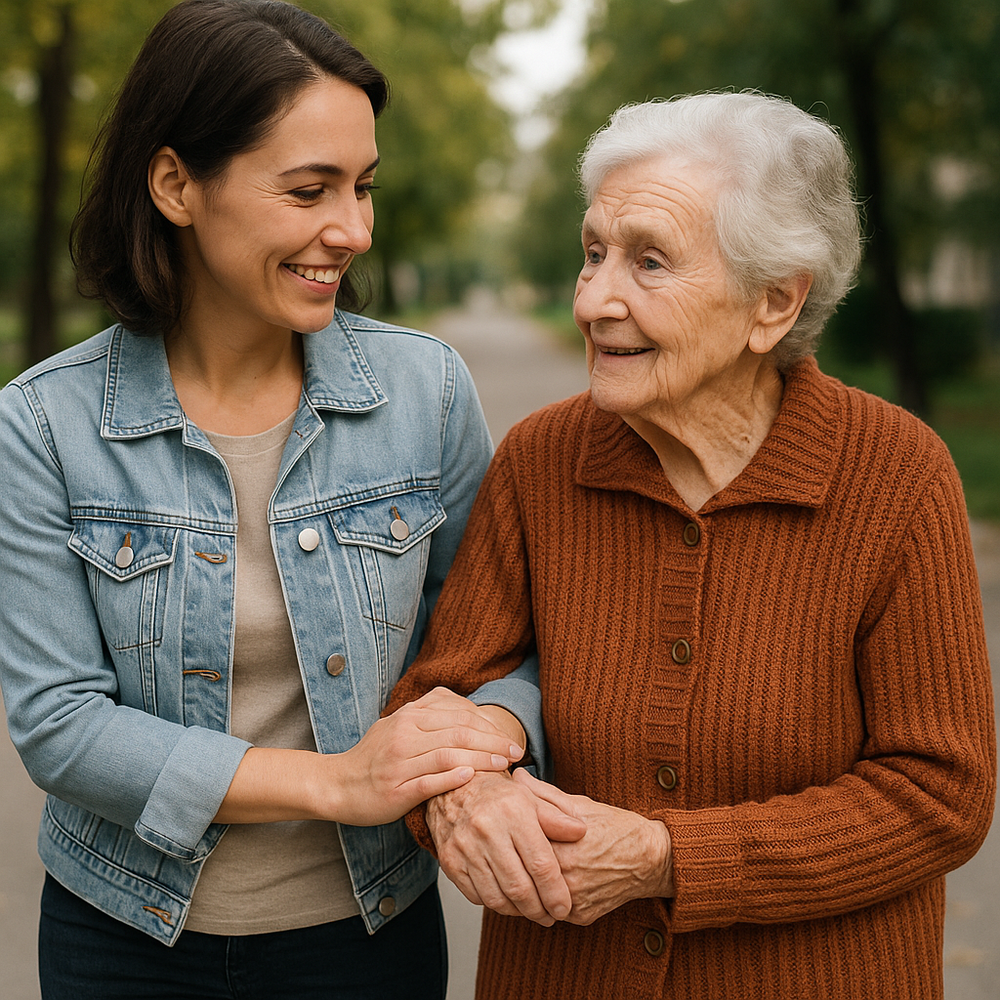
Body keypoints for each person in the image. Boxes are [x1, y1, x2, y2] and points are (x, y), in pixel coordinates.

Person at [387, 91, 997, 999]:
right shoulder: (542, 461)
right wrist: (463, 795)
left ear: (774, 304)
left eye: (649, 262)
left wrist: (667, 858)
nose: (593, 299)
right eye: (593, 253)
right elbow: (442, 693)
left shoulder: (897, 478)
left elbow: (939, 794)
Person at [0, 2, 540, 997]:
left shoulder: (424, 394)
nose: (353, 229)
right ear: (174, 184)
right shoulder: (42, 427)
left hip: (367, 935)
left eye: (364, 187)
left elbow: (500, 647)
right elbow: (61, 722)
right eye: (308, 190)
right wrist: (339, 782)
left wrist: (492, 743)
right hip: (121, 937)